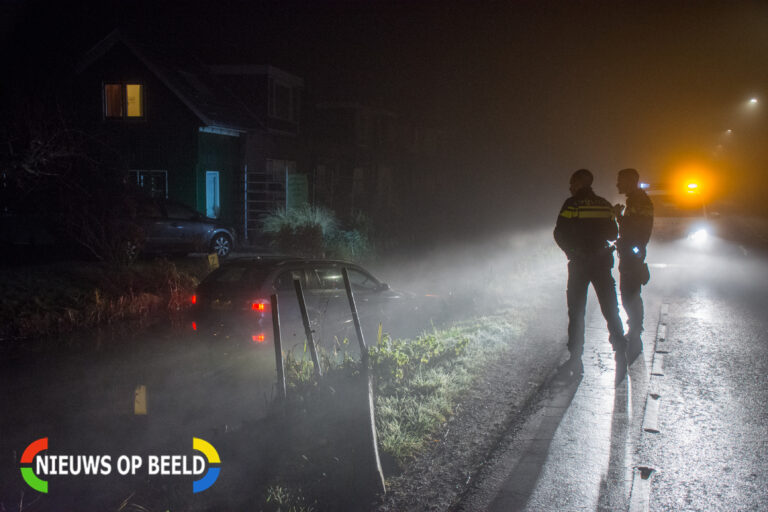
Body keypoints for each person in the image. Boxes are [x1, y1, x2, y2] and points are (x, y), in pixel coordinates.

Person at [554, 169, 628, 385]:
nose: (570, 187)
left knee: (577, 312)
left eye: (572, 182)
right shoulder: (604, 205)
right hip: (601, 264)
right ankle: (619, 349)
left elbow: (559, 233)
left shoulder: (571, 205)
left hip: (579, 265)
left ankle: (575, 358)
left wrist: (572, 251)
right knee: (610, 308)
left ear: (578, 183)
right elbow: (613, 235)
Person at [614, 168, 654, 366]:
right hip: (631, 252)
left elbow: (635, 228)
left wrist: (618, 217)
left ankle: (635, 328)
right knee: (629, 291)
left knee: (629, 292)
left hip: (632, 253)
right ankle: (635, 327)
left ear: (631, 181)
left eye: (620, 181)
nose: (617, 184)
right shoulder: (636, 200)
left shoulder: (638, 201)